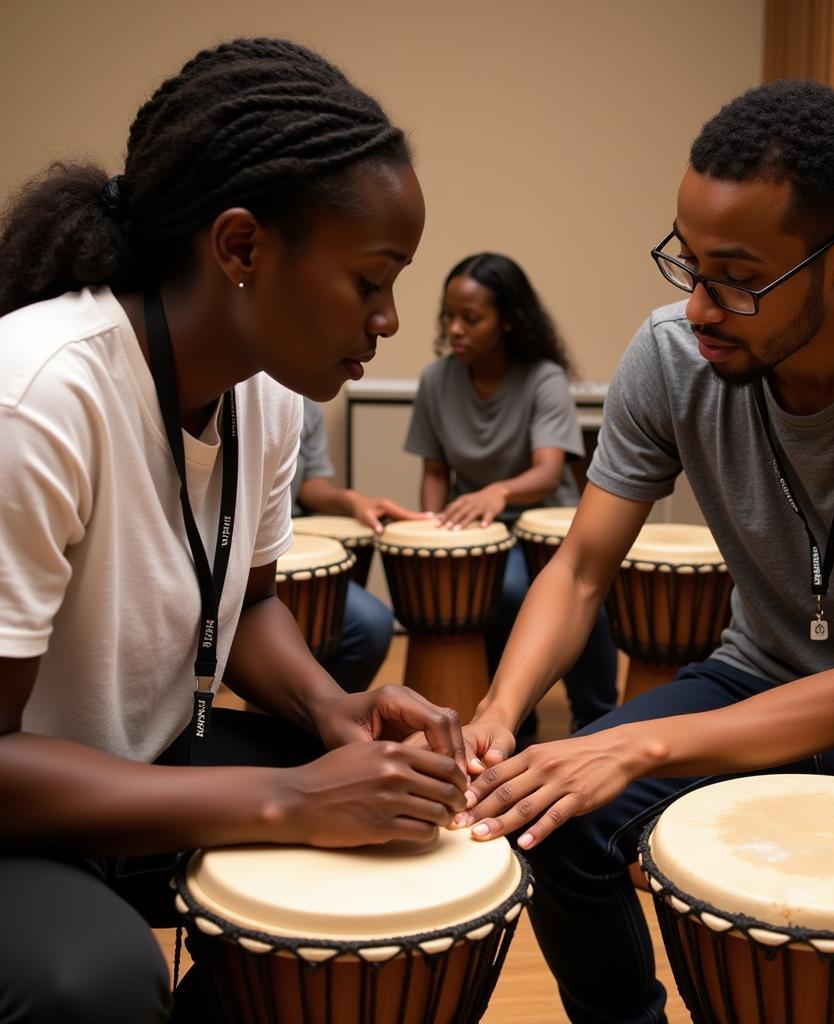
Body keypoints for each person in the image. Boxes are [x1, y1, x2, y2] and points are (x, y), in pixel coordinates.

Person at [453, 80, 834, 1023]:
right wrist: (502, 710)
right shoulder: (671, 356)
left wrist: (637, 744)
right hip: (752, 677)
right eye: (687, 262)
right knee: (550, 823)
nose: (699, 309)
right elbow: (584, 568)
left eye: (737, 277)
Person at [0, 38, 470, 1024]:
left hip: (150, 755)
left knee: (421, 833)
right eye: (371, 280)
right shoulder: (38, 396)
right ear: (242, 248)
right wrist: (291, 802)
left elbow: (249, 603)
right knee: (94, 981)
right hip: (22, 813)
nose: (389, 320)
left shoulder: (269, 400)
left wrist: (332, 709)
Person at [404, 252, 618, 738]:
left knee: (540, 591)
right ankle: (516, 719)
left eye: (471, 318)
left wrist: (497, 491)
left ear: (507, 322)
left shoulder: (542, 378)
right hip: (481, 526)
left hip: (548, 523)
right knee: (499, 590)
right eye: (448, 317)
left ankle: (597, 713)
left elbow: (548, 473)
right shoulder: (436, 381)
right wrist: (431, 527)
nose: (455, 329)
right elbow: (435, 470)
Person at [291, 396, 427, 691]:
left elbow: (310, 484)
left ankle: (315, 728)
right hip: (221, 551)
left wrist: (354, 501)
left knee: (371, 625)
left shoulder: (305, 406)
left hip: (287, 543)